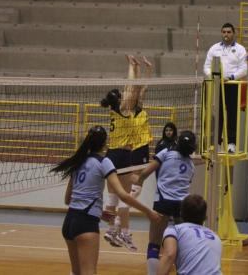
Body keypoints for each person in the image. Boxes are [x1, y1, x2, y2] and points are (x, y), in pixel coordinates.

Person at [51, 126, 160, 275]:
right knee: (89, 272)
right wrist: (148, 212)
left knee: (76, 272)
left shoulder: (78, 161)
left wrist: (99, 212)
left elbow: (68, 199)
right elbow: (123, 195)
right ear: (105, 143)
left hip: (69, 222)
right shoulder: (104, 162)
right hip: (85, 224)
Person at [101, 54, 152, 251]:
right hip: (121, 155)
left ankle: (111, 230)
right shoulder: (124, 108)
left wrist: (134, 67)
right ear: (119, 100)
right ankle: (123, 232)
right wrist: (133, 68)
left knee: (112, 198)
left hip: (111, 155)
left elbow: (131, 87)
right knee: (124, 197)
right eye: (122, 95)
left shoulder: (117, 109)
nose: (125, 94)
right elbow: (133, 87)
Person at [135, 130, 197, 275]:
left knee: (154, 243)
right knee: (182, 245)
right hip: (182, 206)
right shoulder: (191, 166)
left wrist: (138, 183)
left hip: (163, 201)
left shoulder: (166, 153)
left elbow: (145, 172)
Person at [203, 22, 248, 153]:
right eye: (224, 32)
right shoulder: (214, 48)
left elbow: (243, 69)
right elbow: (206, 67)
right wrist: (214, 77)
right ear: (221, 33)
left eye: (228, 32)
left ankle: (231, 144)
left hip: (233, 85)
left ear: (233, 33)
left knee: (232, 114)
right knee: (218, 114)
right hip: (218, 85)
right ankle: (216, 143)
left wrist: (231, 77)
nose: (226, 34)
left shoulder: (240, 49)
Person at [158, 194, 222, 275]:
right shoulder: (215, 236)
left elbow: (169, 254)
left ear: (181, 213)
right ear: (205, 217)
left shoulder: (174, 230)